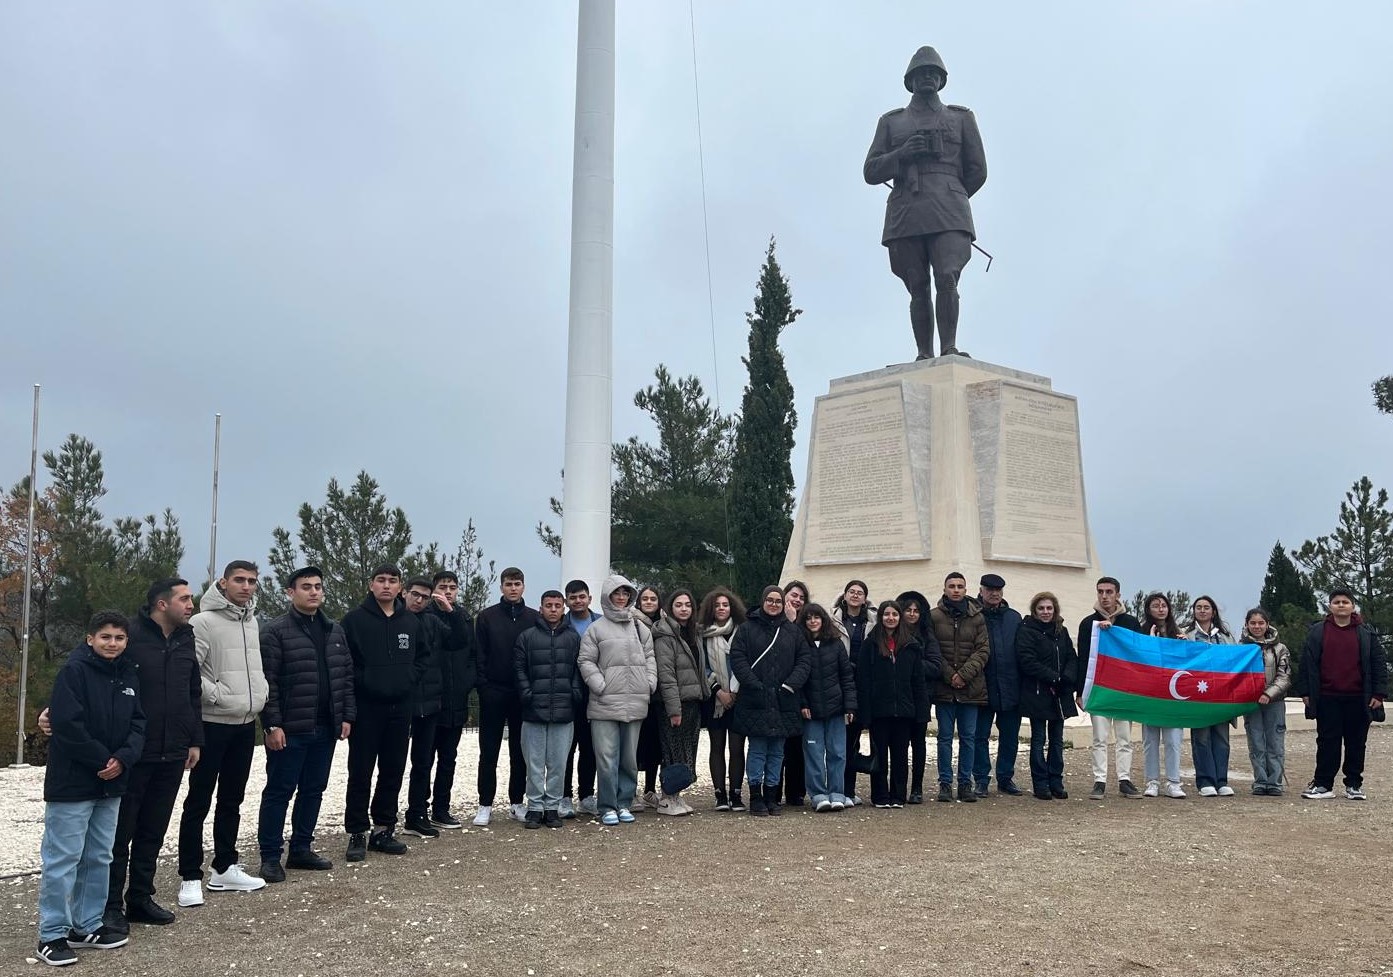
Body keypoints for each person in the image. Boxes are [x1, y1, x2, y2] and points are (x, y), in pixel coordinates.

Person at [34, 611, 144, 966]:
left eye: (119, 638)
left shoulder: (128, 674)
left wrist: (123, 759)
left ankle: (86, 924)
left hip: (112, 783)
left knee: (99, 855)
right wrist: (102, 760)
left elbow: (138, 722)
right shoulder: (74, 672)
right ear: (90, 639)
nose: (112, 643)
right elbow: (66, 724)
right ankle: (52, 933)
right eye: (106, 637)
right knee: (63, 858)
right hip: (74, 782)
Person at [864, 45, 987, 360]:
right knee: (917, 284)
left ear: (942, 79)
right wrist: (902, 154)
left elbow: (977, 170)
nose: (928, 77)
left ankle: (949, 348)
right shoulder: (891, 122)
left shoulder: (961, 118)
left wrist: (952, 191)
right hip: (907, 208)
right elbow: (871, 171)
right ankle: (923, 354)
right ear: (911, 80)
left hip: (949, 209)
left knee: (947, 275)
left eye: (934, 72)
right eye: (922, 73)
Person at [108, 578, 201, 930]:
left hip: (174, 751)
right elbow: (94, 673)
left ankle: (141, 898)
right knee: (121, 833)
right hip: (135, 753)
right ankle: (110, 905)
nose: (191, 604)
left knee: (153, 831)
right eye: (185, 599)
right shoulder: (129, 637)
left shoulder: (185, 637)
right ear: (162, 605)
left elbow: (193, 691)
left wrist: (194, 740)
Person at [177, 561, 269, 910]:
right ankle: (189, 875)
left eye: (252, 582)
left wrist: (259, 694)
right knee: (198, 802)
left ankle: (225, 866)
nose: (246, 587)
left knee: (232, 799)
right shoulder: (202, 622)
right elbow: (190, 671)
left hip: (245, 725)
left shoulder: (251, 621)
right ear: (223, 582)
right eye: (240, 580)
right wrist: (217, 695)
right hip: (212, 723)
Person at [256, 567, 354, 882]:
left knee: (313, 790)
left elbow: (345, 677)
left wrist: (346, 716)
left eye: (318, 587)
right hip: (291, 728)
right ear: (290, 592)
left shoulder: (334, 631)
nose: (313, 592)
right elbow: (267, 681)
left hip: (325, 727)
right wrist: (272, 724)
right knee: (279, 791)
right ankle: (270, 856)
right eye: (306, 587)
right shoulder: (275, 631)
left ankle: (301, 848)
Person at [341, 564, 426, 860]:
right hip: (366, 708)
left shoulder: (411, 622)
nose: (386, 586)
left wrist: (408, 679)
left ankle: (383, 829)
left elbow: (422, 657)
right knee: (360, 771)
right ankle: (356, 832)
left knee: (392, 770)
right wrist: (364, 685)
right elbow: (345, 664)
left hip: (400, 708)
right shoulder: (353, 621)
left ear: (400, 586)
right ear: (371, 585)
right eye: (381, 580)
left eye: (392, 581)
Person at [578, 575, 658, 826]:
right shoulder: (596, 628)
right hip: (604, 703)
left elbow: (650, 658)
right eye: (617, 593)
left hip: (635, 701)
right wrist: (600, 685)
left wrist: (649, 683)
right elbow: (586, 661)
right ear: (608, 596)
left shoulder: (640, 628)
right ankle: (607, 805)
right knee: (606, 757)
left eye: (625, 593)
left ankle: (625, 802)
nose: (621, 598)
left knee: (629, 759)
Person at [1298, 587, 1388, 800]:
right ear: (1330, 606)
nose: (1341, 605)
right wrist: (1305, 692)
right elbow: (1306, 664)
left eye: (1345, 602)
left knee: (1356, 743)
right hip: (1327, 697)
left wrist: (1379, 693)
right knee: (1327, 742)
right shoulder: (1317, 632)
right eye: (1336, 601)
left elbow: (1378, 664)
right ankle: (1323, 784)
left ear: (1352, 606)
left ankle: (1354, 785)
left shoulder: (1366, 634)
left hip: (1359, 697)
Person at [730, 585, 812, 817]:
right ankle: (756, 796)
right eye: (770, 600)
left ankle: (770, 795)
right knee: (757, 749)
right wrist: (754, 684)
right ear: (763, 601)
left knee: (777, 751)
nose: (774, 604)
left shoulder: (793, 631)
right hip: (756, 697)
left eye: (778, 601)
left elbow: (804, 660)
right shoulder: (747, 629)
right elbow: (738, 658)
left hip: (784, 698)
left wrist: (790, 685)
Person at [473, 568, 539, 826]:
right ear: (501, 587)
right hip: (493, 691)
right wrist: (483, 686)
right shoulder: (487, 617)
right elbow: (479, 653)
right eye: (509, 584)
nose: (513, 588)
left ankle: (516, 802)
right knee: (488, 751)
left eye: (518, 584)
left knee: (519, 752)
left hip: (522, 693)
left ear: (524, 587)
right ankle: (485, 804)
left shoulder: (534, 617)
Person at [514, 590, 583, 828]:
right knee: (534, 762)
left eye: (557, 605)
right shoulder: (527, 637)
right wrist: (526, 694)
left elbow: (578, 669)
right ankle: (534, 807)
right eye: (548, 605)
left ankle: (552, 807)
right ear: (541, 608)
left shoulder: (573, 637)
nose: (553, 609)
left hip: (564, 709)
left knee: (558, 762)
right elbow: (519, 668)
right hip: (534, 709)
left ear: (563, 608)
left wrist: (575, 693)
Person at [857, 600, 931, 809]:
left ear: (900, 618)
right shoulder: (870, 645)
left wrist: (921, 712)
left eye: (895, 615)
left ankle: (898, 795)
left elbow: (918, 682)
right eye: (887, 614)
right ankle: (880, 796)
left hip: (905, 711)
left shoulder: (911, 646)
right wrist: (865, 714)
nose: (891, 618)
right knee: (879, 755)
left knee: (900, 755)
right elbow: (863, 681)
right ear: (881, 617)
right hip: (879, 710)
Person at [1076, 576, 1143, 800]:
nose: (1104, 596)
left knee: (1124, 738)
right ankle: (1099, 781)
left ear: (1118, 595)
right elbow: (1083, 658)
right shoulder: (1088, 623)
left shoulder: (1131, 622)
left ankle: (1124, 779)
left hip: (1124, 690)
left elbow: (1138, 654)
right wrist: (1080, 691)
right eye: (1101, 592)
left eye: (1109, 592)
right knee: (1099, 738)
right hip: (1099, 689)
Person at [420, 570, 477, 829]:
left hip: (457, 699)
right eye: (443, 587)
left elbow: (471, 653)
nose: (448, 591)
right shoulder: (424, 616)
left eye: (453, 587)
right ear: (434, 590)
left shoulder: (463, 617)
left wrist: (467, 684)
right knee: (424, 758)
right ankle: (419, 807)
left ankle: (441, 808)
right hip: (431, 699)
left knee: (448, 758)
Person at [929, 572, 989, 802]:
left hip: (970, 688)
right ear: (944, 589)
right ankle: (945, 783)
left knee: (968, 738)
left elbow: (983, 650)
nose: (956, 590)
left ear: (966, 590)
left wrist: (962, 675)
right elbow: (932, 649)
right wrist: (950, 675)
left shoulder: (978, 618)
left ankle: (965, 784)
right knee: (944, 738)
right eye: (952, 586)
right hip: (944, 689)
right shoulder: (934, 617)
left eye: (960, 586)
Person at [1015, 593, 1078, 800]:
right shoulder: (1026, 631)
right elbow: (1027, 661)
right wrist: (1053, 678)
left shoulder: (1062, 631)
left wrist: (1066, 678)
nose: (1045, 612)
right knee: (1039, 739)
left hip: (1059, 695)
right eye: (1041, 608)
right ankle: (1040, 783)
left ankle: (1056, 781)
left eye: (1049, 608)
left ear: (1055, 610)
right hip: (1038, 693)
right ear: (1035, 610)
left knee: (1057, 740)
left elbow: (1071, 657)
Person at [653, 589, 707, 815]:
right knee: (672, 752)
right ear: (669, 608)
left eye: (688, 605)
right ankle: (667, 798)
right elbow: (666, 675)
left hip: (692, 702)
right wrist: (674, 710)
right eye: (678, 605)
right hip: (674, 704)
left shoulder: (693, 633)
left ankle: (677, 796)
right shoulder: (665, 635)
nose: (684, 609)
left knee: (686, 752)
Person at [798, 603, 857, 812]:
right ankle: (818, 794)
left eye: (816, 617)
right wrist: (803, 703)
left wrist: (850, 705)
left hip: (836, 708)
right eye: (808, 618)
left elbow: (846, 677)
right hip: (811, 710)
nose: (813, 621)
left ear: (823, 620)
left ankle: (837, 792)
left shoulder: (836, 644)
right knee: (814, 753)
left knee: (838, 752)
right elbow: (799, 680)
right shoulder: (800, 645)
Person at [401, 579, 447, 838]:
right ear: (405, 593)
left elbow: (458, 641)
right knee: (392, 764)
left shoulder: (432, 621)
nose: (419, 600)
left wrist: (450, 611)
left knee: (423, 762)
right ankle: (382, 821)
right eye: (415, 595)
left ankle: (417, 814)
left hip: (429, 701)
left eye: (425, 597)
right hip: (399, 701)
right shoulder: (394, 619)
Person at [973, 573, 1023, 797]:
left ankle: (1005, 777)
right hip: (982, 686)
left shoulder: (1014, 617)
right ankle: (981, 779)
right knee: (979, 736)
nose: (994, 594)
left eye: (998, 590)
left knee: (1010, 736)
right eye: (989, 590)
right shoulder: (973, 615)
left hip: (1011, 686)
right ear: (981, 590)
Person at [698, 586, 747, 811]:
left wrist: (733, 693)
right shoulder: (702, 633)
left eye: (725, 604)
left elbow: (744, 661)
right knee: (716, 747)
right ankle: (720, 795)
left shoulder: (742, 630)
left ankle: (736, 794)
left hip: (738, 698)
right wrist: (719, 691)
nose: (721, 608)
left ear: (732, 607)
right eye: (717, 605)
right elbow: (702, 666)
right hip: (714, 697)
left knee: (737, 748)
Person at [1185, 596, 1236, 797]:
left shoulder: (1225, 636)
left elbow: (1235, 660)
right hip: (1198, 696)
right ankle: (1205, 780)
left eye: (1207, 607)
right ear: (1194, 611)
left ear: (1213, 611)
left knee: (1221, 739)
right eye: (1199, 607)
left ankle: (1222, 780)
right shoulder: (1187, 635)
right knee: (1202, 738)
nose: (1203, 611)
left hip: (1221, 696)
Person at [832, 580, 876, 805]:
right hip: (840, 682)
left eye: (860, 593)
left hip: (864, 683)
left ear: (865, 597)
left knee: (855, 740)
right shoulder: (834, 619)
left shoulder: (873, 621)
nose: (855, 595)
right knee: (842, 740)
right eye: (852, 591)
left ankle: (849, 789)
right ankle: (841, 789)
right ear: (845, 594)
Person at [1138, 593, 1185, 799]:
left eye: (1164, 605)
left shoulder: (1177, 632)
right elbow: (1137, 659)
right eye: (1155, 606)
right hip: (1150, 694)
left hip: (1173, 695)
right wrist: (1149, 643)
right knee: (1150, 740)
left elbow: (1187, 663)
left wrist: (1186, 645)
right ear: (1148, 609)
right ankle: (1152, 781)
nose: (1160, 609)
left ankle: (1174, 782)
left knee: (1173, 740)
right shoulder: (1141, 632)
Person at [1241, 608, 1292, 796]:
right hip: (1251, 703)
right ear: (1246, 624)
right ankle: (1260, 780)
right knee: (1255, 741)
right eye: (1253, 623)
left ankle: (1275, 781)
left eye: (1261, 623)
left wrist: (1269, 694)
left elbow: (1284, 676)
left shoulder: (1280, 648)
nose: (1257, 626)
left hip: (1275, 701)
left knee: (1275, 741)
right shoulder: (1241, 648)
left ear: (1267, 624)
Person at [561, 579, 601, 818]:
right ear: (567, 600)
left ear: (589, 598)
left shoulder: (600, 623)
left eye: (581, 596)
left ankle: (586, 795)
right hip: (566, 692)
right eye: (573, 597)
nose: (578, 601)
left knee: (590, 747)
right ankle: (564, 796)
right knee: (566, 747)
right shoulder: (560, 623)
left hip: (594, 691)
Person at [896, 590, 938, 803]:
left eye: (916, 611)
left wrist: (911, 664)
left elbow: (935, 665)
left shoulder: (927, 635)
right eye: (908, 610)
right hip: (898, 697)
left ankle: (917, 788)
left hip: (921, 696)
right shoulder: (891, 633)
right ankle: (900, 788)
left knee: (918, 743)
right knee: (900, 744)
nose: (912, 614)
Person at [773, 581, 811, 807]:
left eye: (801, 598)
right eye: (793, 595)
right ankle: (773, 791)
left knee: (797, 746)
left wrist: (793, 621)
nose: (797, 600)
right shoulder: (771, 620)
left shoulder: (805, 624)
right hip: (774, 691)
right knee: (777, 745)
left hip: (797, 691)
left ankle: (796, 792)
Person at [633, 585, 664, 811]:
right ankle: (630, 790)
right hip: (637, 689)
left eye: (653, 598)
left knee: (655, 745)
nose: (649, 601)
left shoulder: (665, 624)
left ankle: (650, 790)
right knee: (634, 744)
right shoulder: (632, 622)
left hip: (660, 694)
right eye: (645, 598)